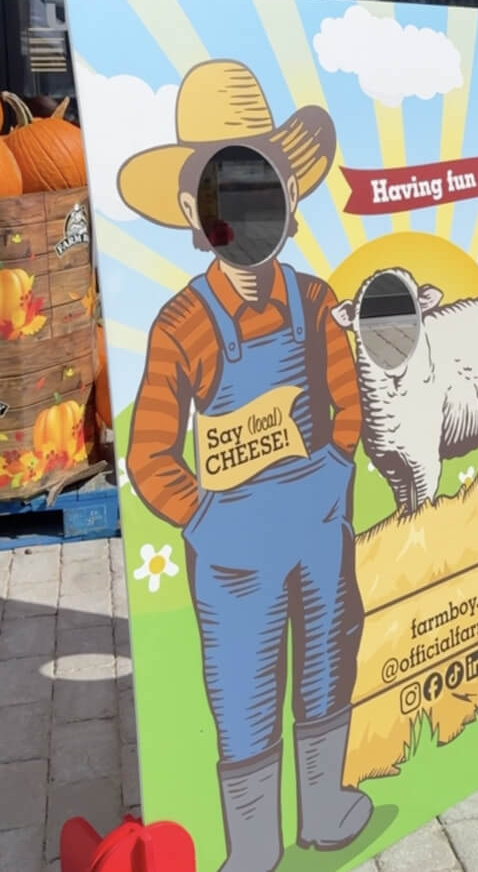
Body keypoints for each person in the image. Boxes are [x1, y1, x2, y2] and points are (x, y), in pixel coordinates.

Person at [119, 60, 371, 872]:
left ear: (292, 201)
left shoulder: (315, 301)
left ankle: (324, 808)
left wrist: (335, 470)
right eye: (229, 200)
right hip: (232, 552)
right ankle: (254, 846)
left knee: (328, 655)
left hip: (319, 524)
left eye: (264, 193)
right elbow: (150, 450)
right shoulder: (183, 323)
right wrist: (202, 515)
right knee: (242, 686)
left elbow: (347, 401)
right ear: (196, 218)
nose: (251, 218)